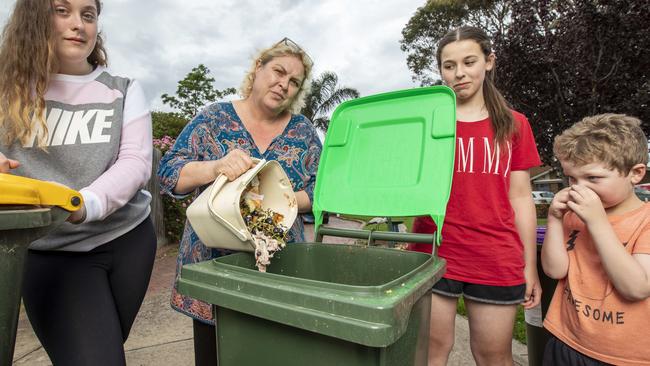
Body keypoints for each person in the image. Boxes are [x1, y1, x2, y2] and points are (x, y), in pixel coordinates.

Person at [0, 0, 156, 365]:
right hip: (53, 252)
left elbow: (135, 162)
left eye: (88, 15)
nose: (78, 24)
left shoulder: (124, 89)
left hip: (128, 240)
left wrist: (84, 203)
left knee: (101, 351)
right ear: (35, 17)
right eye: (62, 11)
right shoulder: (6, 90)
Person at [157, 37, 321, 365]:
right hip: (212, 264)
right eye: (278, 71)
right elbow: (168, 172)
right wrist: (215, 167)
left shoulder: (302, 132)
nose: (283, 84)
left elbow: (323, 192)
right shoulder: (214, 119)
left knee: (274, 355)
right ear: (258, 69)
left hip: (277, 267)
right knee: (215, 355)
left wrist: (281, 203)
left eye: (294, 82)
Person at [408, 26, 542, 365]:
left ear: (489, 62)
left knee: (493, 355)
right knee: (430, 351)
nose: (459, 73)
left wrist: (530, 267)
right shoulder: (428, 123)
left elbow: (521, 198)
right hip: (433, 250)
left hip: (495, 255)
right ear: (440, 70)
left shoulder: (515, 124)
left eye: (469, 62)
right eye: (449, 66)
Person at [541, 114, 650, 365]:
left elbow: (637, 288)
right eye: (571, 178)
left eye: (593, 178)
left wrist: (598, 222)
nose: (580, 189)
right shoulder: (573, 214)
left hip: (621, 356)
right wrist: (555, 219)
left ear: (635, 173)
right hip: (565, 339)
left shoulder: (645, 221)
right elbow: (554, 270)